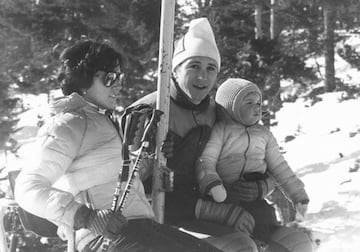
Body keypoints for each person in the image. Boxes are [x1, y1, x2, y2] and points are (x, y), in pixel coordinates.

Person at [14, 40, 223, 252]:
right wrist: (87, 217)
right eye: (109, 78)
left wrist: (149, 161)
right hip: (103, 238)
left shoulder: (102, 120)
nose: (117, 84)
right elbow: (27, 187)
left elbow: (112, 179)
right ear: (83, 79)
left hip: (138, 227)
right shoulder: (69, 124)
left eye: (119, 78)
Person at [131, 17, 274, 252]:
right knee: (241, 247)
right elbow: (129, 188)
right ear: (175, 70)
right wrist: (151, 160)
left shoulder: (218, 114)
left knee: (289, 243)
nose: (202, 76)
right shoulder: (149, 113)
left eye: (210, 69)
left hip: (204, 207)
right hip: (160, 219)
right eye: (193, 66)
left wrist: (260, 186)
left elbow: (255, 159)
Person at [196, 78, 313, 251]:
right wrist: (212, 183)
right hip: (227, 197)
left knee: (265, 219)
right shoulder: (221, 131)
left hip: (257, 199)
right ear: (231, 108)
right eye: (249, 102)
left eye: (258, 102)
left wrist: (298, 195)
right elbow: (206, 160)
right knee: (243, 232)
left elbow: (280, 167)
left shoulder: (264, 135)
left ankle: (263, 243)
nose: (257, 107)